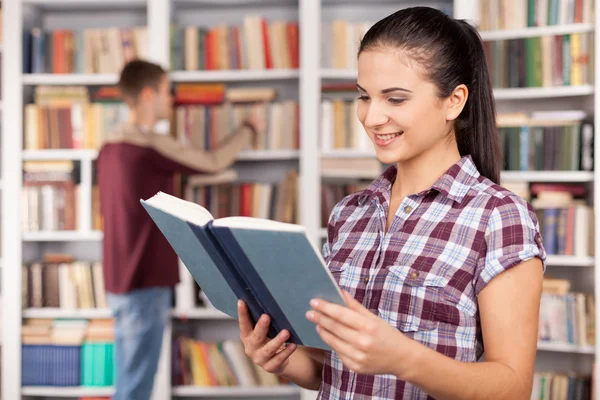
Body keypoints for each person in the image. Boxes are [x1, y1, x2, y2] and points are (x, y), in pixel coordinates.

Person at [238, 6, 546, 399]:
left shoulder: (499, 217)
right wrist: (282, 359)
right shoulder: (349, 213)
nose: (372, 117)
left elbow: (513, 388)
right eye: (364, 96)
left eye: (395, 99)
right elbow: (337, 370)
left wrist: (403, 358)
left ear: (454, 101)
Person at [97, 59, 261, 400]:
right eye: (166, 91)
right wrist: (249, 127)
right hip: (144, 281)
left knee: (129, 380)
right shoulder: (148, 146)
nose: (171, 100)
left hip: (119, 278)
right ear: (147, 95)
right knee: (136, 386)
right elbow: (213, 161)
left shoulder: (109, 146)